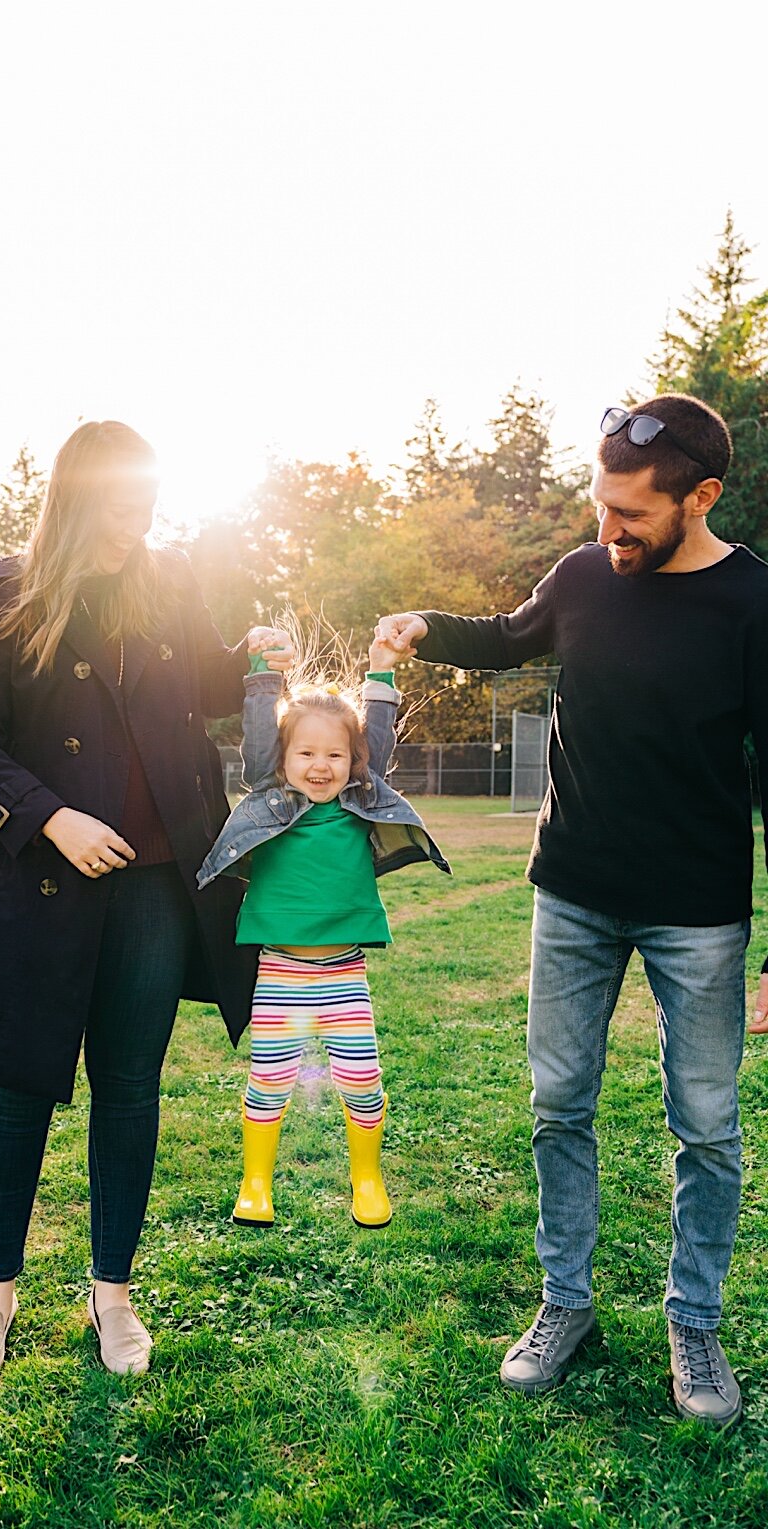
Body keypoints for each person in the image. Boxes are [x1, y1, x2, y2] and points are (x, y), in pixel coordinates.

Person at [377, 392, 765, 1429]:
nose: (607, 531)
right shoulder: (583, 574)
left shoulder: (752, 606)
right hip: (574, 895)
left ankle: (693, 1318)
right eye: (599, 506)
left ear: (701, 497)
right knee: (557, 1103)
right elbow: (506, 637)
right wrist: (425, 627)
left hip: (696, 913)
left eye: (630, 512)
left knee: (708, 1126)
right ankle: (565, 1303)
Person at [0, 419, 277, 1386]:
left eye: (148, 510)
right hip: (39, 883)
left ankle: (111, 1296)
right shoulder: (4, 590)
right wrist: (52, 819)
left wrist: (251, 651)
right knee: (22, 1088)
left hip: (159, 889)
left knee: (130, 1090)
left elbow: (201, 682)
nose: (136, 528)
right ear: (77, 499)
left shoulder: (164, 580)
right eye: (121, 511)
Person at [195, 630, 448, 1231]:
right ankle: (256, 1183)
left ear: (351, 763)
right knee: (269, 1082)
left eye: (334, 755)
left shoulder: (363, 799)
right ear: (283, 760)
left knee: (361, 1083)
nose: (320, 765)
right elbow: (259, 735)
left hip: (344, 975)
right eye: (305, 753)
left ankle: (367, 1177)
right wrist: (261, 671)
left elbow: (376, 743)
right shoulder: (270, 798)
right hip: (280, 972)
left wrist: (381, 673)